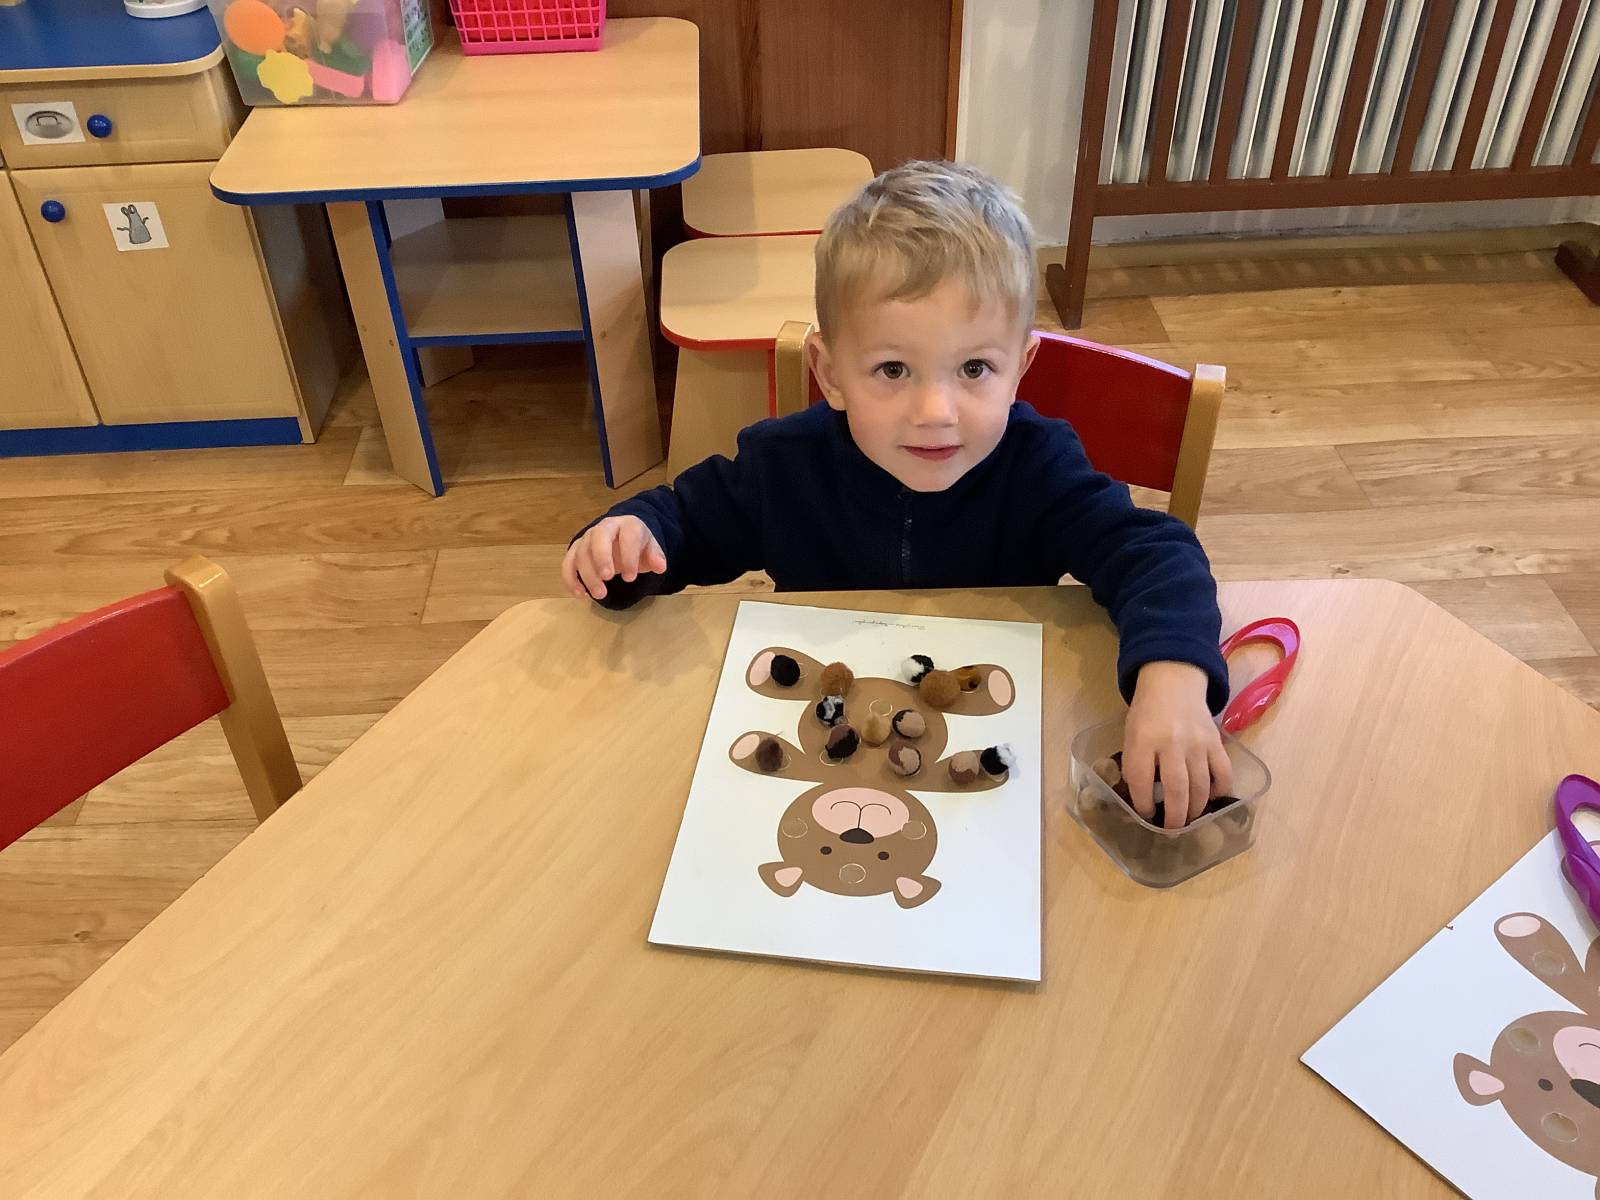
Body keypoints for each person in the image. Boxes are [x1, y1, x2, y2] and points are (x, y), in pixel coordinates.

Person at [562, 160, 1232, 827]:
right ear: (830, 373)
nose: (936, 412)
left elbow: (1155, 554)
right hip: (828, 746)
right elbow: (681, 523)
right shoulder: (782, 465)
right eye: (892, 369)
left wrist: (1172, 675)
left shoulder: (1040, 466)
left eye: (975, 368)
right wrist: (628, 542)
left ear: (1020, 369)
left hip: (981, 748)